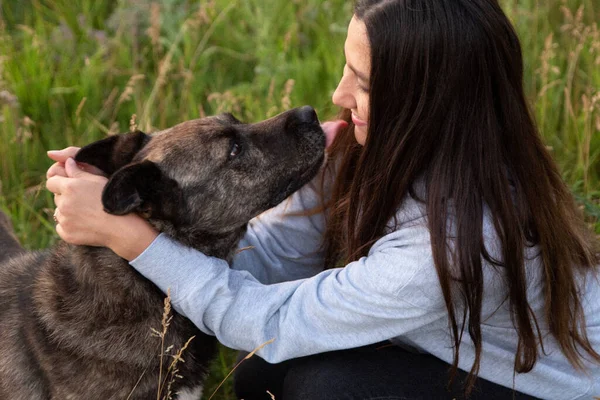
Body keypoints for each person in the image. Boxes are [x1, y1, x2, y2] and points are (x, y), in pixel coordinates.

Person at [45, 0, 599, 399]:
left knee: (327, 387)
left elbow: (262, 318)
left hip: (548, 388)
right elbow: (273, 261)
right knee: (262, 377)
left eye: (362, 80)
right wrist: (125, 177)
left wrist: (126, 235)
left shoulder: (450, 248)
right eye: (345, 67)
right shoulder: (392, 149)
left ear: (423, 103)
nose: (336, 96)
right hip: (448, 349)